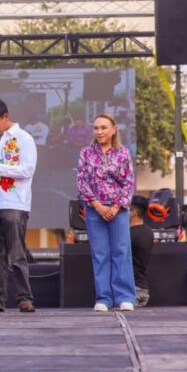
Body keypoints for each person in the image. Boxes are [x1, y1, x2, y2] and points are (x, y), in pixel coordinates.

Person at [0, 98, 38, 314]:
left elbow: (27, 170)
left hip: (14, 203)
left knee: (17, 253)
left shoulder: (24, 139)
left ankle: (24, 298)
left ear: (6, 117)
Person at [76, 112, 136, 312]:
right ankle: (104, 298)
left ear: (113, 130)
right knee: (100, 253)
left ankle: (125, 297)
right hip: (95, 210)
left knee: (121, 251)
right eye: (96, 128)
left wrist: (116, 207)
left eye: (103, 128)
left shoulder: (123, 153)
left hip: (119, 210)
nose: (99, 131)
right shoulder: (86, 153)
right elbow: (82, 181)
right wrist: (98, 206)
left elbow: (129, 182)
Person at [129, 195, 153, 308]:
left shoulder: (129, 234)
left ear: (133, 212)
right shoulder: (148, 232)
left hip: (131, 290)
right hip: (143, 289)